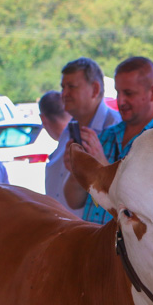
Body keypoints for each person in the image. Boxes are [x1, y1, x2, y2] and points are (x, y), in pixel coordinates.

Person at [64, 56, 153, 224]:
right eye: (118, 92)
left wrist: (102, 166)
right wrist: (77, 169)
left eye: (128, 93)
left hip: (129, 250)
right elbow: (73, 200)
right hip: (93, 244)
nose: (120, 101)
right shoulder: (107, 135)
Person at [47, 59, 120, 218]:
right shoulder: (69, 130)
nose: (64, 94)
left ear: (95, 90)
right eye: (63, 87)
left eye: (71, 87)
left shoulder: (116, 129)